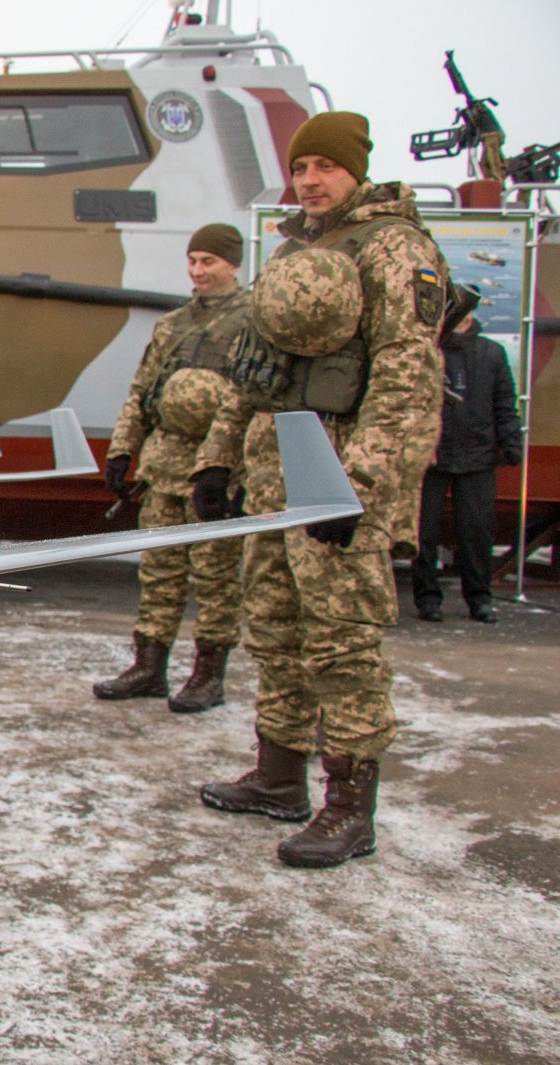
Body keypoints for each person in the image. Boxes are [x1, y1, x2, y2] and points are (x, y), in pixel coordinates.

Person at [191, 111, 445, 869]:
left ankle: (348, 808)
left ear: (354, 171)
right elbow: (253, 367)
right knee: (274, 625)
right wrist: (217, 457)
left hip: (335, 466)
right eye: (300, 168)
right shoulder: (295, 252)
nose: (309, 181)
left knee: (341, 638)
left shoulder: (396, 249)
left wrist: (352, 489)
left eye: (325, 168)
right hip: (274, 462)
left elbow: (406, 376)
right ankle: (278, 776)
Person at [94, 224, 248, 713]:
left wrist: (223, 467)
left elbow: (251, 399)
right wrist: (123, 450)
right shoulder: (173, 324)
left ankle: (208, 675)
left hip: (215, 470)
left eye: (209, 261)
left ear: (233, 263)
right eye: (194, 260)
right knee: (159, 571)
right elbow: (142, 391)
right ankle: (149, 667)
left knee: (215, 576)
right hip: (162, 466)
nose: (198, 271)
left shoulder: (253, 322)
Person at [411, 285, 523, 623]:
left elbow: (505, 403)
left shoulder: (490, 353)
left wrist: (511, 441)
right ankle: (428, 599)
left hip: (477, 455)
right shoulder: (428, 351)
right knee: (422, 532)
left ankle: (479, 598)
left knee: (476, 532)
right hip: (431, 455)